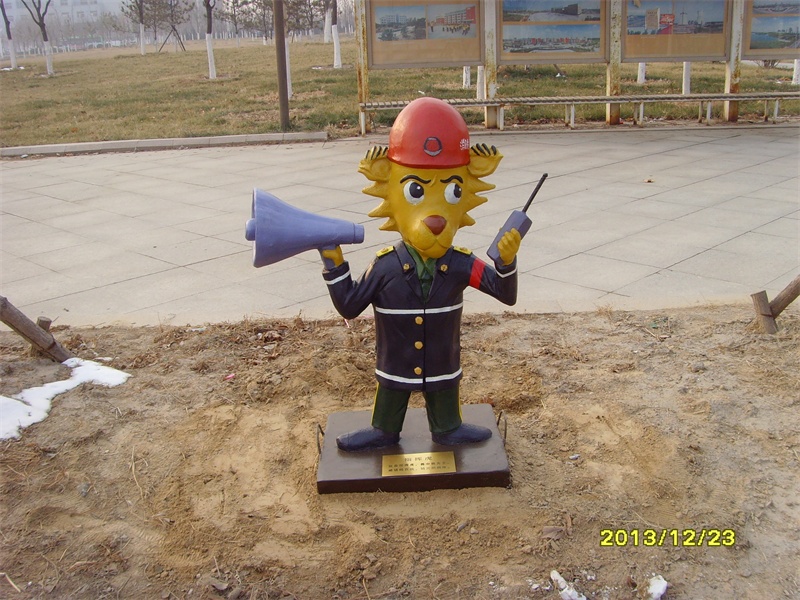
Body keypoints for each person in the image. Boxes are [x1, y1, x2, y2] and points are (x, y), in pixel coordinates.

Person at [320, 98, 522, 452]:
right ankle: (384, 429)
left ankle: (448, 426)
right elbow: (350, 305)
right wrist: (335, 265)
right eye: (416, 190)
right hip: (395, 365)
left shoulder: (461, 264)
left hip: (443, 364)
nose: (436, 217)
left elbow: (504, 293)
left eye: (453, 191)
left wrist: (506, 261)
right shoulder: (385, 267)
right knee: (391, 393)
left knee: (445, 396)